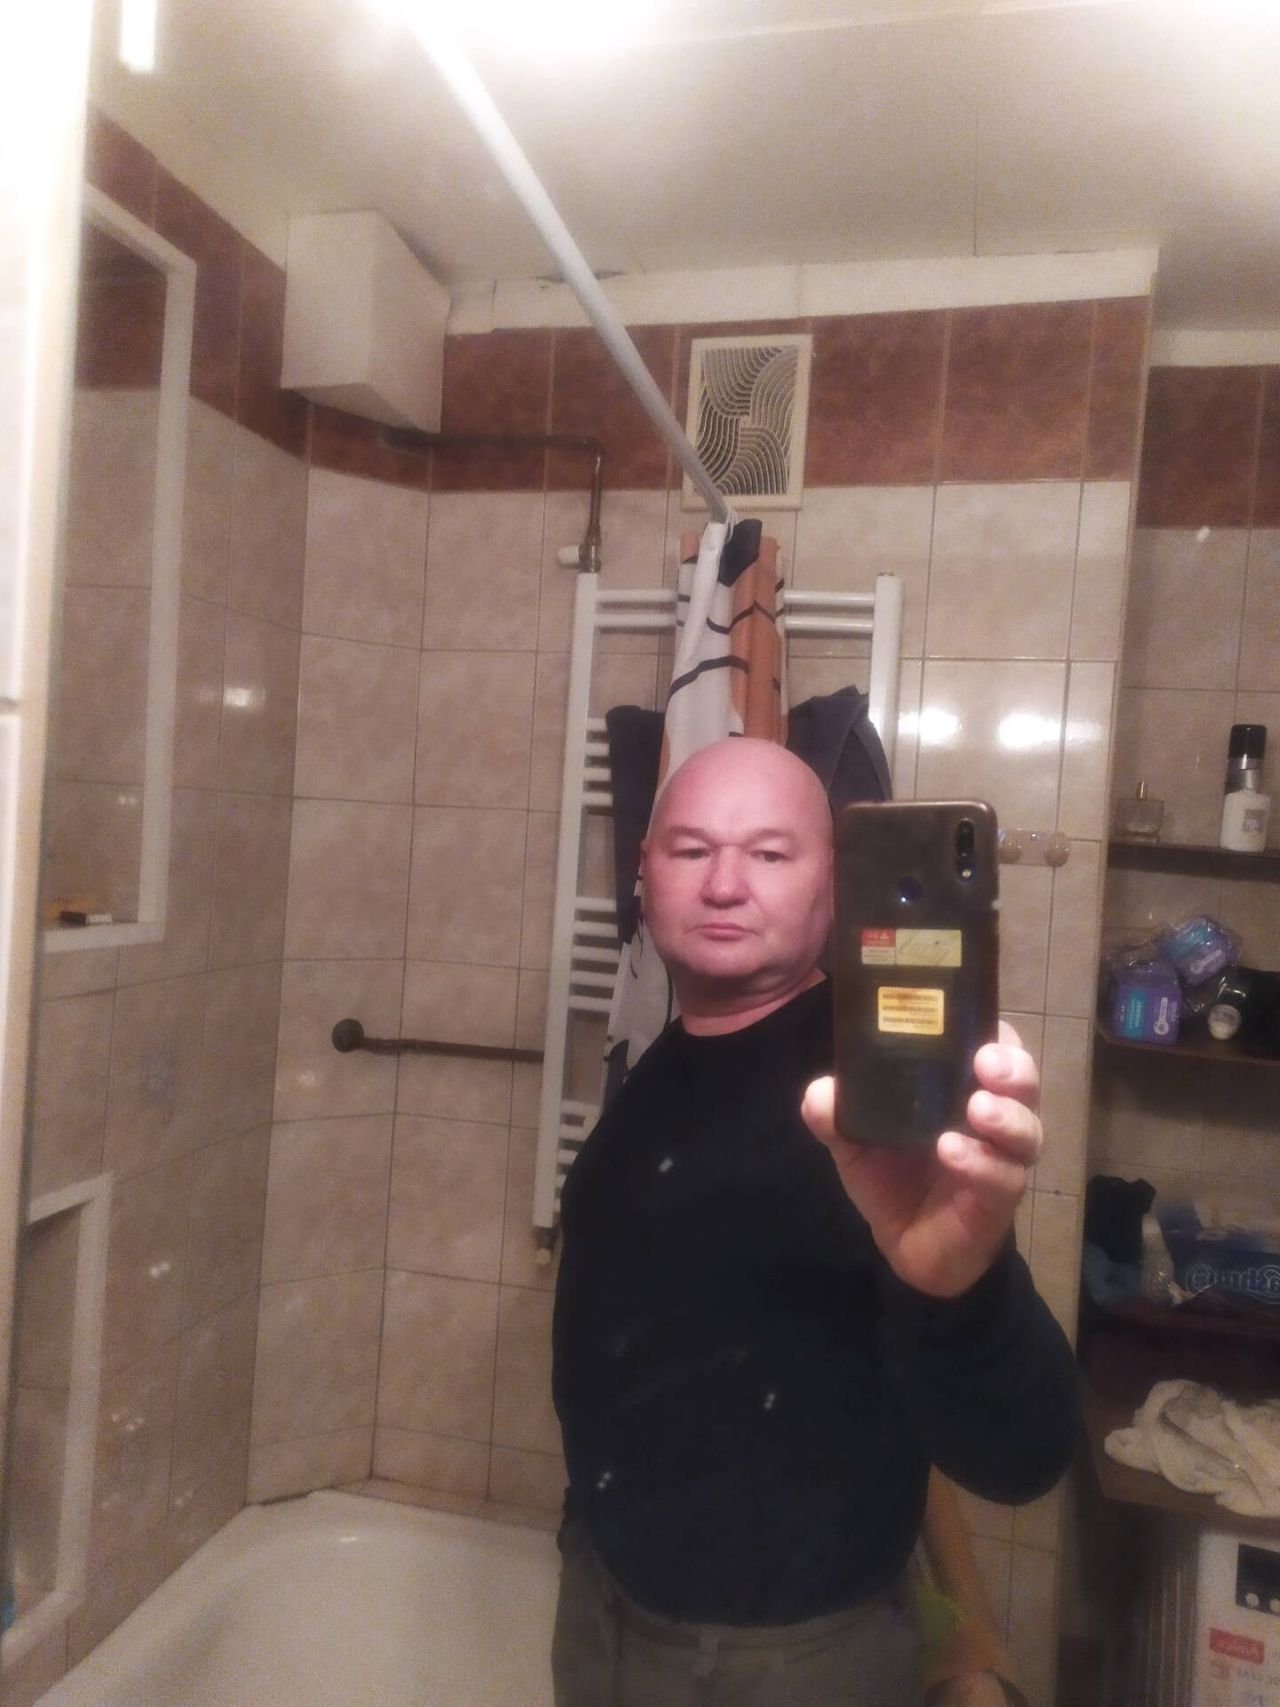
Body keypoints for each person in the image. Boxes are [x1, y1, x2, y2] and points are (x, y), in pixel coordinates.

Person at [551, 738, 1080, 1707]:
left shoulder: (869, 1099)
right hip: (604, 1608)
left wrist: (959, 1289)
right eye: (690, 849)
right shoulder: (668, 1061)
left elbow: (1024, 1451)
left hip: (779, 1661)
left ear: (832, 886)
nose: (722, 884)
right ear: (643, 871)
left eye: (768, 853)